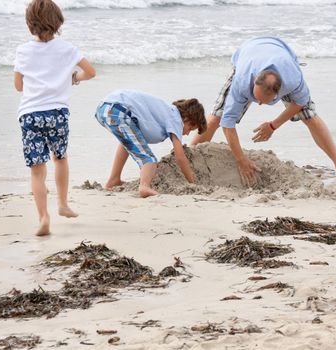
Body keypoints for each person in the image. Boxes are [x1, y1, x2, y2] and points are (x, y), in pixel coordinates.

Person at [191, 36, 336, 185]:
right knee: (216, 117)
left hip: (281, 52)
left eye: (263, 101)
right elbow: (228, 123)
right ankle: (188, 158)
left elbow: (300, 103)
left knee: (310, 117)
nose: (258, 104)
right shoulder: (242, 81)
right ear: (254, 83)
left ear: (279, 92)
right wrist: (241, 159)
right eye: (256, 98)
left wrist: (273, 125)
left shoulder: (293, 79)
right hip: (248, 53)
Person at [14, 0, 96, 236]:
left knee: (37, 170)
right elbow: (91, 72)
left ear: (30, 24)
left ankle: (43, 217)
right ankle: (62, 204)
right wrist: (73, 78)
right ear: (58, 21)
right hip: (57, 113)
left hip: (30, 115)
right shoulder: (67, 49)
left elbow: (19, 86)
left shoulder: (23, 51)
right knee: (60, 158)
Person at [94, 89, 207, 197]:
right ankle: (144, 187)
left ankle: (114, 179)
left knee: (129, 143)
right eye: (191, 129)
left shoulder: (166, 112)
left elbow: (128, 144)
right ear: (187, 119)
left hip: (104, 108)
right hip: (118, 110)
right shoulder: (176, 118)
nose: (187, 134)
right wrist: (192, 183)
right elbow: (180, 156)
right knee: (149, 160)